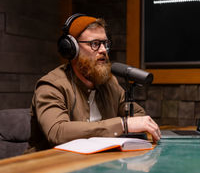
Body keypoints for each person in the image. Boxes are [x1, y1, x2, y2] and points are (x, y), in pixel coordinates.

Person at [28, 13, 160, 152]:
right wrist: (122, 125)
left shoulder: (109, 83)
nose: (103, 50)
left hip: (97, 165)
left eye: (105, 43)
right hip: (50, 167)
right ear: (71, 49)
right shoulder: (51, 86)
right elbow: (57, 132)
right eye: (95, 44)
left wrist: (133, 124)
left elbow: (137, 115)